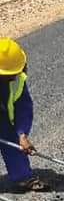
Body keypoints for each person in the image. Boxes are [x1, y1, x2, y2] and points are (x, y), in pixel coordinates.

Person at [0, 38, 47, 191]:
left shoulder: (17, 80)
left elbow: (23, 108)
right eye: (9, 74)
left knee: (12, 141)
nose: (14, 77)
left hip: (2, 117)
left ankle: (23, 177)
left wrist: (22, 134)